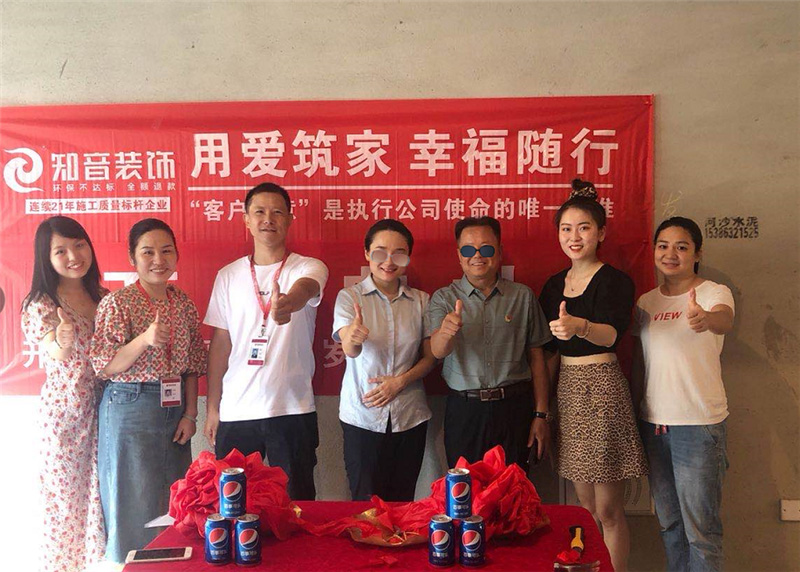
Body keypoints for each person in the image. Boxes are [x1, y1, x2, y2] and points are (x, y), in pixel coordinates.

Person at [539, 180, 647, 572]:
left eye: (583, 227)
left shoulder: (616, 281)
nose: (574, 236)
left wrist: (580, 326)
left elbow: (613, 335)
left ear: (600, 233)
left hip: (602, 389)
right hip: (568, 391)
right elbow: (549, 354)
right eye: (566, 228)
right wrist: (544, 410)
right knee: (585, 507)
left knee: (609, 508)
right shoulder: (553, 285)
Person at [90, 218, 207, 562]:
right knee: (132, 493)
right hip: (131, 403)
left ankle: (169, 562)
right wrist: (144, 339)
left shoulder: (183, 303)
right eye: (148, 252)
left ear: (176, 255)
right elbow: (105, 365)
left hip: (174, 406)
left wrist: (191, 414)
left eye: (166, 251)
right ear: (132, 258)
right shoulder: (118, 303)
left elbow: (192, 364)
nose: (159, 260)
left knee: (174, 491)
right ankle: (127, 563)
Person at [203, 182, 328, 500]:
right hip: (237, 410)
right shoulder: (228, 276)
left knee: (297, 503)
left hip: (292, 408)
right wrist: (213, 408)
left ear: (290, 219)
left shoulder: (308, 266)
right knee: (235, 505)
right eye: (259, 212)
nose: (268, 219)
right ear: (246, 219)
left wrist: (288, 303)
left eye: (277, 212)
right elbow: (220, 344)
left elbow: (306, 288)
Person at [633, 216, 734, 571]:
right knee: (670, 525)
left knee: (701, 533)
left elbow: (724, 320)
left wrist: (705, 319)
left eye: (681, 247)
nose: (670, 254)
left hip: (698, 426)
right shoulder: (646, 302)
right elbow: (641, 364)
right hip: (655, 426)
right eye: (663, 246)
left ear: (697, 253)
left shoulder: (714, 292)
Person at [428, 216, 552, 469]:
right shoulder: (444, 298)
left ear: (499, 252)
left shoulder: (522, 296)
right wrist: (446, 332)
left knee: (514, 487)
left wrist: (541, 415)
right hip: (465, 411)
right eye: (468, 250)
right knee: (465, 488)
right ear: (459, 255)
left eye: (486, 249)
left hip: (514, 408)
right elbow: (438, 351)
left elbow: (537, 358)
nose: (477, 256)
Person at [21, 216, 107, 572]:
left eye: (79, 245)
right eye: (61, 251)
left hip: (107, 415)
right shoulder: (41, 303)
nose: (73, 256)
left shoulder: (104, 298)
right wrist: (62, 340)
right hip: (66, 420)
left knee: (102, 505)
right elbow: (53, 350)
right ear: (46, 257)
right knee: (66, 509)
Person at [333, 219, 436, 501]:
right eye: (380, 252)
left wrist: (400, 382)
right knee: (365, 505)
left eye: (399, 254)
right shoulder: (349, 297)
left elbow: (431, 358)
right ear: (367, 253)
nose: (389, 261)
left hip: (409, 416)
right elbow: (350, 350)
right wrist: (353, 337)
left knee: (403, 503)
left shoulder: (421, 301)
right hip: (362, 417)